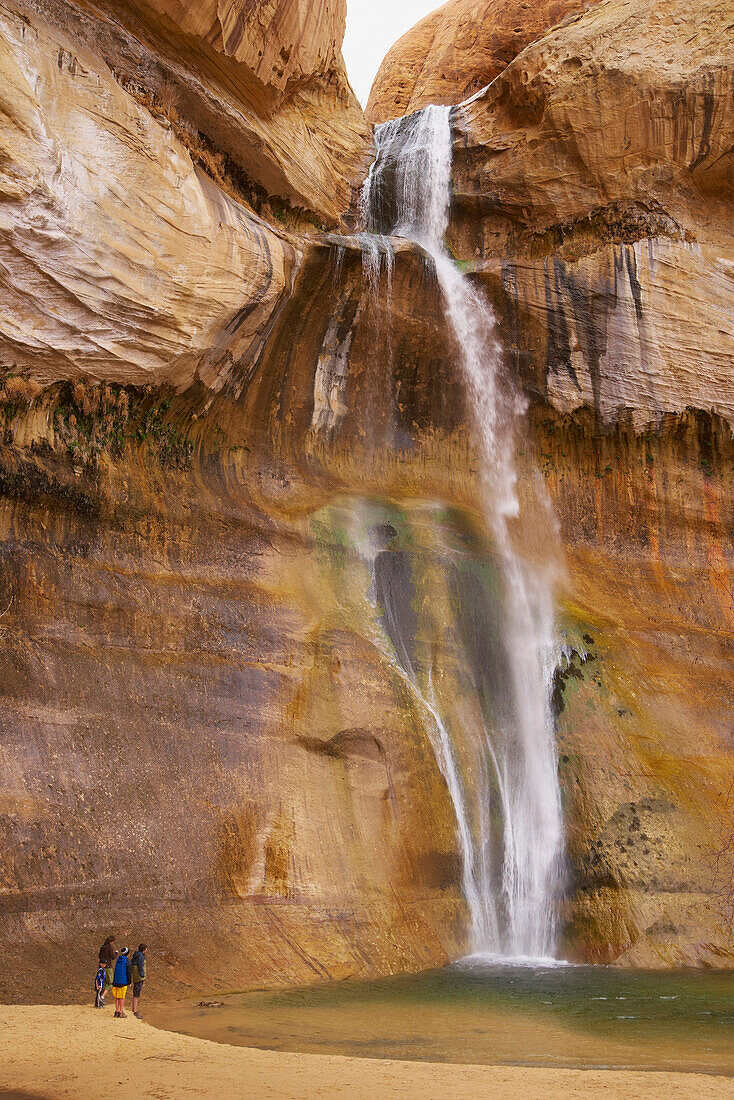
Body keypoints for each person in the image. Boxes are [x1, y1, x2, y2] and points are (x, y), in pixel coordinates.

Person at [111, 947, 132, 1018]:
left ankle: (116, 1011)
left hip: (116, 981)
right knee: (122, 997)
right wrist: (129, 982)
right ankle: (120, 1012)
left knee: (117, 997)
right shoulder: (127, 961)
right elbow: (128, 973)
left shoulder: (118, 959)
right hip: (123, 981)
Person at [131, 943, 147, 1019]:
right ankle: (135, 1011)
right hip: (139, 977)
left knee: (135, 993)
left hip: (135, 976)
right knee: (136, 994)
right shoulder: (140, 956)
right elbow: (140, 966)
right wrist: (142, 975)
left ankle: (134, 1010)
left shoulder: (136, 955)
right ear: (144, 950)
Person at [99, 935, 117, 1002]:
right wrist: (116, 953)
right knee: (110, 983)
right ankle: (102, 997)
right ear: (111, 941)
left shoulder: (103, 947)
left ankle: (99, 998)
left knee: (103, 983)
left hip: (101, 967)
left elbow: (99, 956)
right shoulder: (109, 948)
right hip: (108, 967)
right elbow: (113, 957)